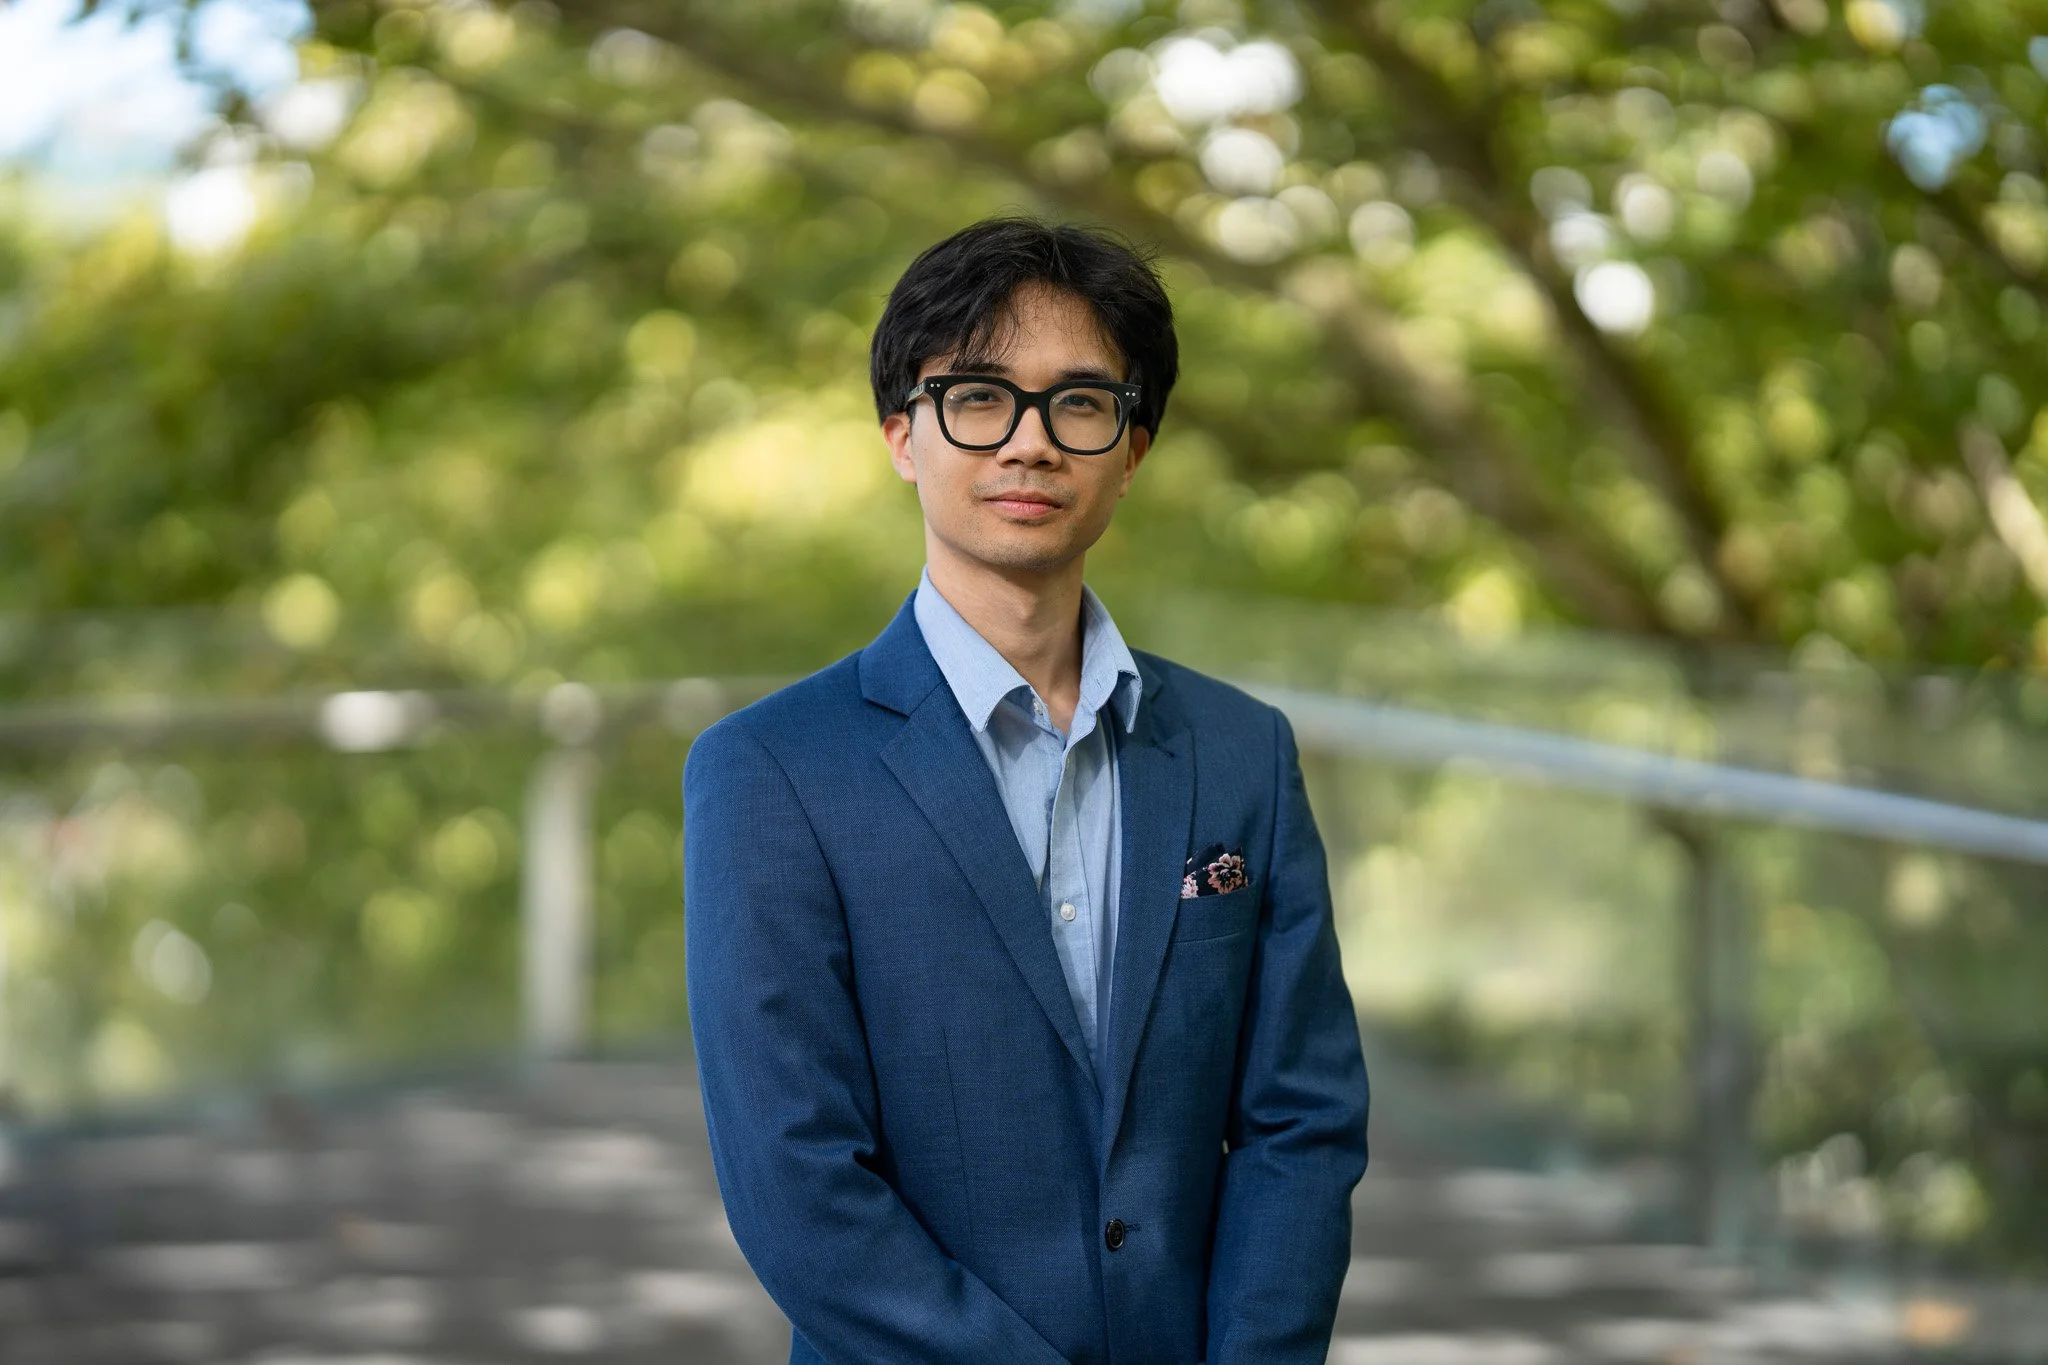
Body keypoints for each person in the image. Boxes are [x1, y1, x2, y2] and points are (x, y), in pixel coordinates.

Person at [682, 216, 1370, 1365]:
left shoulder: (1243, 752)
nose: (1028, 444)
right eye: (978, 399)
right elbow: (794, 1184)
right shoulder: (770, 772)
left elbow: (1300, 1122)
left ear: (1131, 447)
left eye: (1079, 403)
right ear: (903, 434)